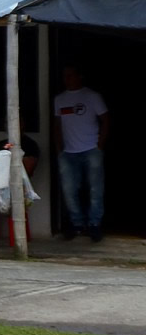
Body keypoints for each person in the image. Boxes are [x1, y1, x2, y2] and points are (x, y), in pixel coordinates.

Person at [53, 65, 110, 241]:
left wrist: (100, 143)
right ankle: (77, 224)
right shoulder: (59, 99)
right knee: (69, 190)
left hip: (91, 149)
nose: (67, 79)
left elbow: (106, 120)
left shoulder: (92, 96)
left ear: (80, 76)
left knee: (95, 189)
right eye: (65, 76)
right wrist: (59, 147)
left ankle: (94, 225)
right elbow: (57, 124)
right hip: (68, 152)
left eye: (70, 75)